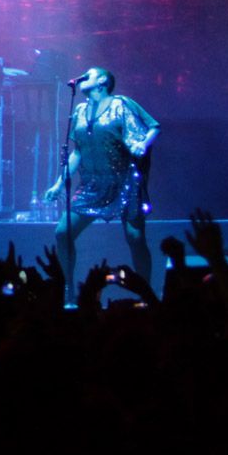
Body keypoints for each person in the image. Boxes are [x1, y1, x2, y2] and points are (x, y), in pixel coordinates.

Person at [46, 65, 159, 290]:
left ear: (103, 82)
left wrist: (143, 145)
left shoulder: (121, 104)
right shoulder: (79, 110)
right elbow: (77, 151)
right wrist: (60, 183)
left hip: (125, 181)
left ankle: (146, 293)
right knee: (62, 233)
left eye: (89, 75)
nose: (82, 78)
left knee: (135, 238)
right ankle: (68, 291)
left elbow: (154, 127)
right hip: (93, 185)